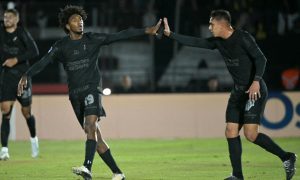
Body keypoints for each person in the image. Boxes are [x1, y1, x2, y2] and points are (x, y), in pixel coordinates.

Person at [18, 5, 161, 180]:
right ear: (67, 25)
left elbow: (119, 35)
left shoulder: (92, 39)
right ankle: (118, 173)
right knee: (94, 137)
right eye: (75, 20)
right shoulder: (60, 46)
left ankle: (87, 167)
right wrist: (27, 74)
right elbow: (44, 61)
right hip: (75, 95)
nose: (80, 22)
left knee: (91, 126)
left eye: (81, 19)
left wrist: (146, 30)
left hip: (92, 88)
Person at [162, 10, 297, 180]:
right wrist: (170, 34)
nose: (209, 27)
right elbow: (197, 42)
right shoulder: (218, 42)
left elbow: (261, 59)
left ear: (222, 24)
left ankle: (287, 157)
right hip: (238, 91)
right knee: (230, 131)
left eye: (211, 24)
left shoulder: (243, 38)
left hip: (254, 91)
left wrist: (256, 81)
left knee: (250, 135)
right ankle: (237, 176)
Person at [0, 8, 39, 160]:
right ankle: (4, 150)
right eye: (5, 16)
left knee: (26, 112)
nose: (6, 19)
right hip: (6, 77)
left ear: (16, 20)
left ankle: (34, 139)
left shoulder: (22, 33)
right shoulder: (1, 32)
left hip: (22, 77)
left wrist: (15, 60)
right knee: (5, 111)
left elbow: (34, 51)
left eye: (10, 17)